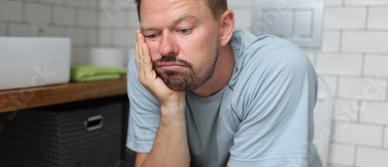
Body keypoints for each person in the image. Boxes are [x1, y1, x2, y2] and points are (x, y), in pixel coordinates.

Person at [126, 0, 322, 166]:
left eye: (184, 30)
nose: (165, 49)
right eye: (152, 35)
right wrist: (171, 106)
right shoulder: (149, 70)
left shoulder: (277, 68)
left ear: (224, 29)